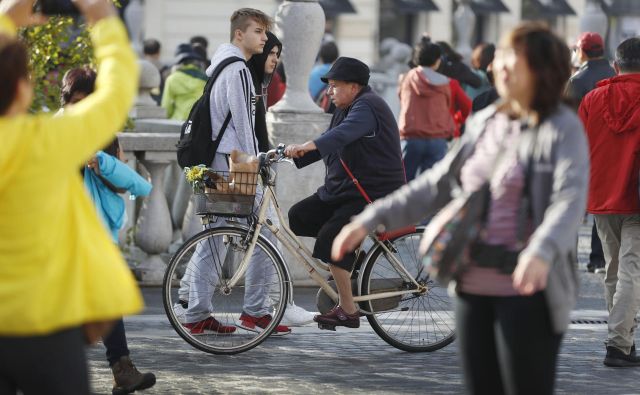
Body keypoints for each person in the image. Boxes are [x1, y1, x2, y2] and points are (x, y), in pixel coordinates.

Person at [333, 22, 588, 394]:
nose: (499, 66)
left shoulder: (562, 127)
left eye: (511, 59)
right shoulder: (487, 121)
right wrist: (370, 219)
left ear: (540, 69)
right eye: (500, 57)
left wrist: (542, 250)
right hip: (472, 280)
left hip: (531, 288)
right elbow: (437, 183)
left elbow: (569, 200)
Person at [0, 0, 143, 394]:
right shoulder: (48, 141)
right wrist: (103, 19)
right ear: (21, 89)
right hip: (45, 326)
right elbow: (115, 93)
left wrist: (5, 25)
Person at [180, 8, 291, 336]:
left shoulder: (221, 66)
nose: (263, 37)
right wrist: (258, 162)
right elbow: (243, 125)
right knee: (264, 234)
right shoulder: (239, 69)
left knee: (216, 239)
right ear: (239, 34)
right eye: (258, 31)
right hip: (233, 166)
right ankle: (254, 310)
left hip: (216, 163)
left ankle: (198, 312)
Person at [286, 57, 405, 329]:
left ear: (353, 86)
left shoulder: (367, 106)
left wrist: (307, 145)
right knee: (299, 216)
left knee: (333, 240)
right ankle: (353, 261)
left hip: (373, 192)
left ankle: (348, 310)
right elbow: (332, 144)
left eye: (335, 86)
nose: (329, 91)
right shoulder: (345, 106)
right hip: (346, 190)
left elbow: (341, 136)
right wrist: (294, 154)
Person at [59, 66, 156, 394]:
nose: (81, 107)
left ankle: (122, 369)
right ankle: (118, 368)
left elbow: (122, 187)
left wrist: (101, 163)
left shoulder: (102, 132)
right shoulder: (55, 131)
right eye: (75, 100)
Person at [579, 37, 640, 367]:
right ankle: (619, 343)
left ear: (617, 66)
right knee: (632, 270)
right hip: (636, 200)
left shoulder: (592, 98)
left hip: (602, 197)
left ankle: (624, 341)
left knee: (614, 271)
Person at [247, 31, 315, 326]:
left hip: (253, 168)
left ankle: (260, 309)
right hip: (245, 169)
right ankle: (267, 308)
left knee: (266, 239)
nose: (274, 59)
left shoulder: (260, 83)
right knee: (268, 238)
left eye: (277, 54)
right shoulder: (246, 80)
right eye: (270, 52)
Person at [567, 32, 616, 275]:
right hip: (611, 150)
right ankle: (598, 259)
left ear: (582, 51)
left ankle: (570, 257)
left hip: (582, 150)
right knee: (602, 206)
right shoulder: (615, 75)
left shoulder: (577, 80)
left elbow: (568, 120)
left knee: (575, 205)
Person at [398, 40, 471, 181]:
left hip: (411, 138)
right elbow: (467, 106)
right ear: (438, 61)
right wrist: (457, 121)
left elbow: (402, 99)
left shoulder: (406, 79)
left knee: (404, 184)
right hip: (438, 139)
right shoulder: (448, 83)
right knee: (431, 186)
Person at [161, 43, 207, 121]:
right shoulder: (205, 79)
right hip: (199, 122)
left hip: (178, 121)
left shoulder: (172, 78)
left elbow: (166, 107)